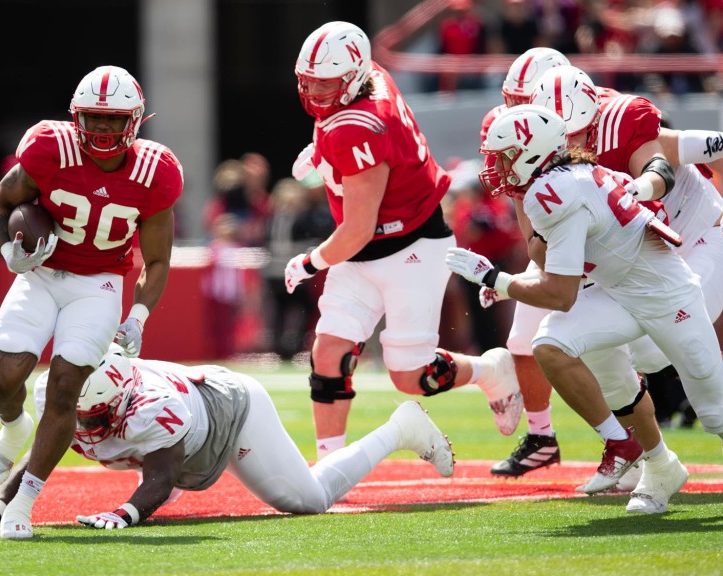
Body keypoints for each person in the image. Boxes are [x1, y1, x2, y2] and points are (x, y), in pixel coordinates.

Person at [448, 105, 723, 513]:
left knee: (715, 411)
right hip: (617, 289)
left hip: (664, 294)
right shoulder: (560, 179)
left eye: (503, 156)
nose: (496, 167)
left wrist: (496, 280)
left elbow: (561, 293)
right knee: (553, 342)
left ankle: (638, 448)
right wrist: (509, 287)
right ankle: (641, 453)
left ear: (530, 152)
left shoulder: (551, 193)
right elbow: (561, 269)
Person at [286, 21, 522, 464]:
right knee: (329, 349)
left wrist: (310, 263)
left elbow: (356, 228)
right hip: (371, 245)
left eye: (326, 82)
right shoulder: (370, 75)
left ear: (352, 76)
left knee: (411, 377)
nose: (316, 92)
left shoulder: (359, 125)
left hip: (410, 247)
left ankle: (492, 369)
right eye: (310, 81)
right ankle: (329, 463)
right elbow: (349, 130)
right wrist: (321, 151)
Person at [0, 65, 183, 540]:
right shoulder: (51, 148)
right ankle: (12, 428)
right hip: (42, 274)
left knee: (66, 386)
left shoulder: (155, 172)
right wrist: (9, 250)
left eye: (114, 120)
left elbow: (157, 259)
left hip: (100, 284)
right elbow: (2, 203)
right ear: (77, 118)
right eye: (94, 118)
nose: (104, 129)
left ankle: (22, 502)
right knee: (2, 383)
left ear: (135, 122)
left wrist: (139, 315)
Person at [0, 347, 453, 533]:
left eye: (92, 418)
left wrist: (128, 513)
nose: (82, 428)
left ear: (117, 402)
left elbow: (163, 473)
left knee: (306, 501)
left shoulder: (149, 410)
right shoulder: (71, 393)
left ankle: (400, 428)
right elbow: (40, 451)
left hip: (228, 416)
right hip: (178, 420)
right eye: (75, 414)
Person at [526, 64, 723, 486]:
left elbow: (665, 162)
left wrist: (642, 187)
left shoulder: (623, 117)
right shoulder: (534, 150)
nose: (569, 142)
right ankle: (655, 461)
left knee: (657, 358)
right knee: (588, 347)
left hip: (698, 235)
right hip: (636, 262)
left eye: (577, 132)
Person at [479, 47, 571, 478]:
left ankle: (635, 445)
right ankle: (541, 437)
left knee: (622, 354)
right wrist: (535, 251)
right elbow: (517, 192)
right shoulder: (507, 126)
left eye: (524, 103)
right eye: (511, 101)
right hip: (554, 245)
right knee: (522, 344)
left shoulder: (591, 123)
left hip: (607, 248)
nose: (512, 112)